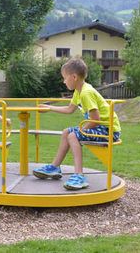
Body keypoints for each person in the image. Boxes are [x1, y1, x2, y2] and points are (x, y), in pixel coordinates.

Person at [33, 58, 121, 190]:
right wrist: (49, 108)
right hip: (99, 126)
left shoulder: (86, 93)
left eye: (64, 78)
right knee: (66, 132)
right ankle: (55, 167)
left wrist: (81, 130)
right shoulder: (79, 91)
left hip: (108, 130)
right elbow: (69, 109)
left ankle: (79, 176)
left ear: (74, 77)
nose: (63, 81)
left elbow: (95, 119)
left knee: (73, 135)